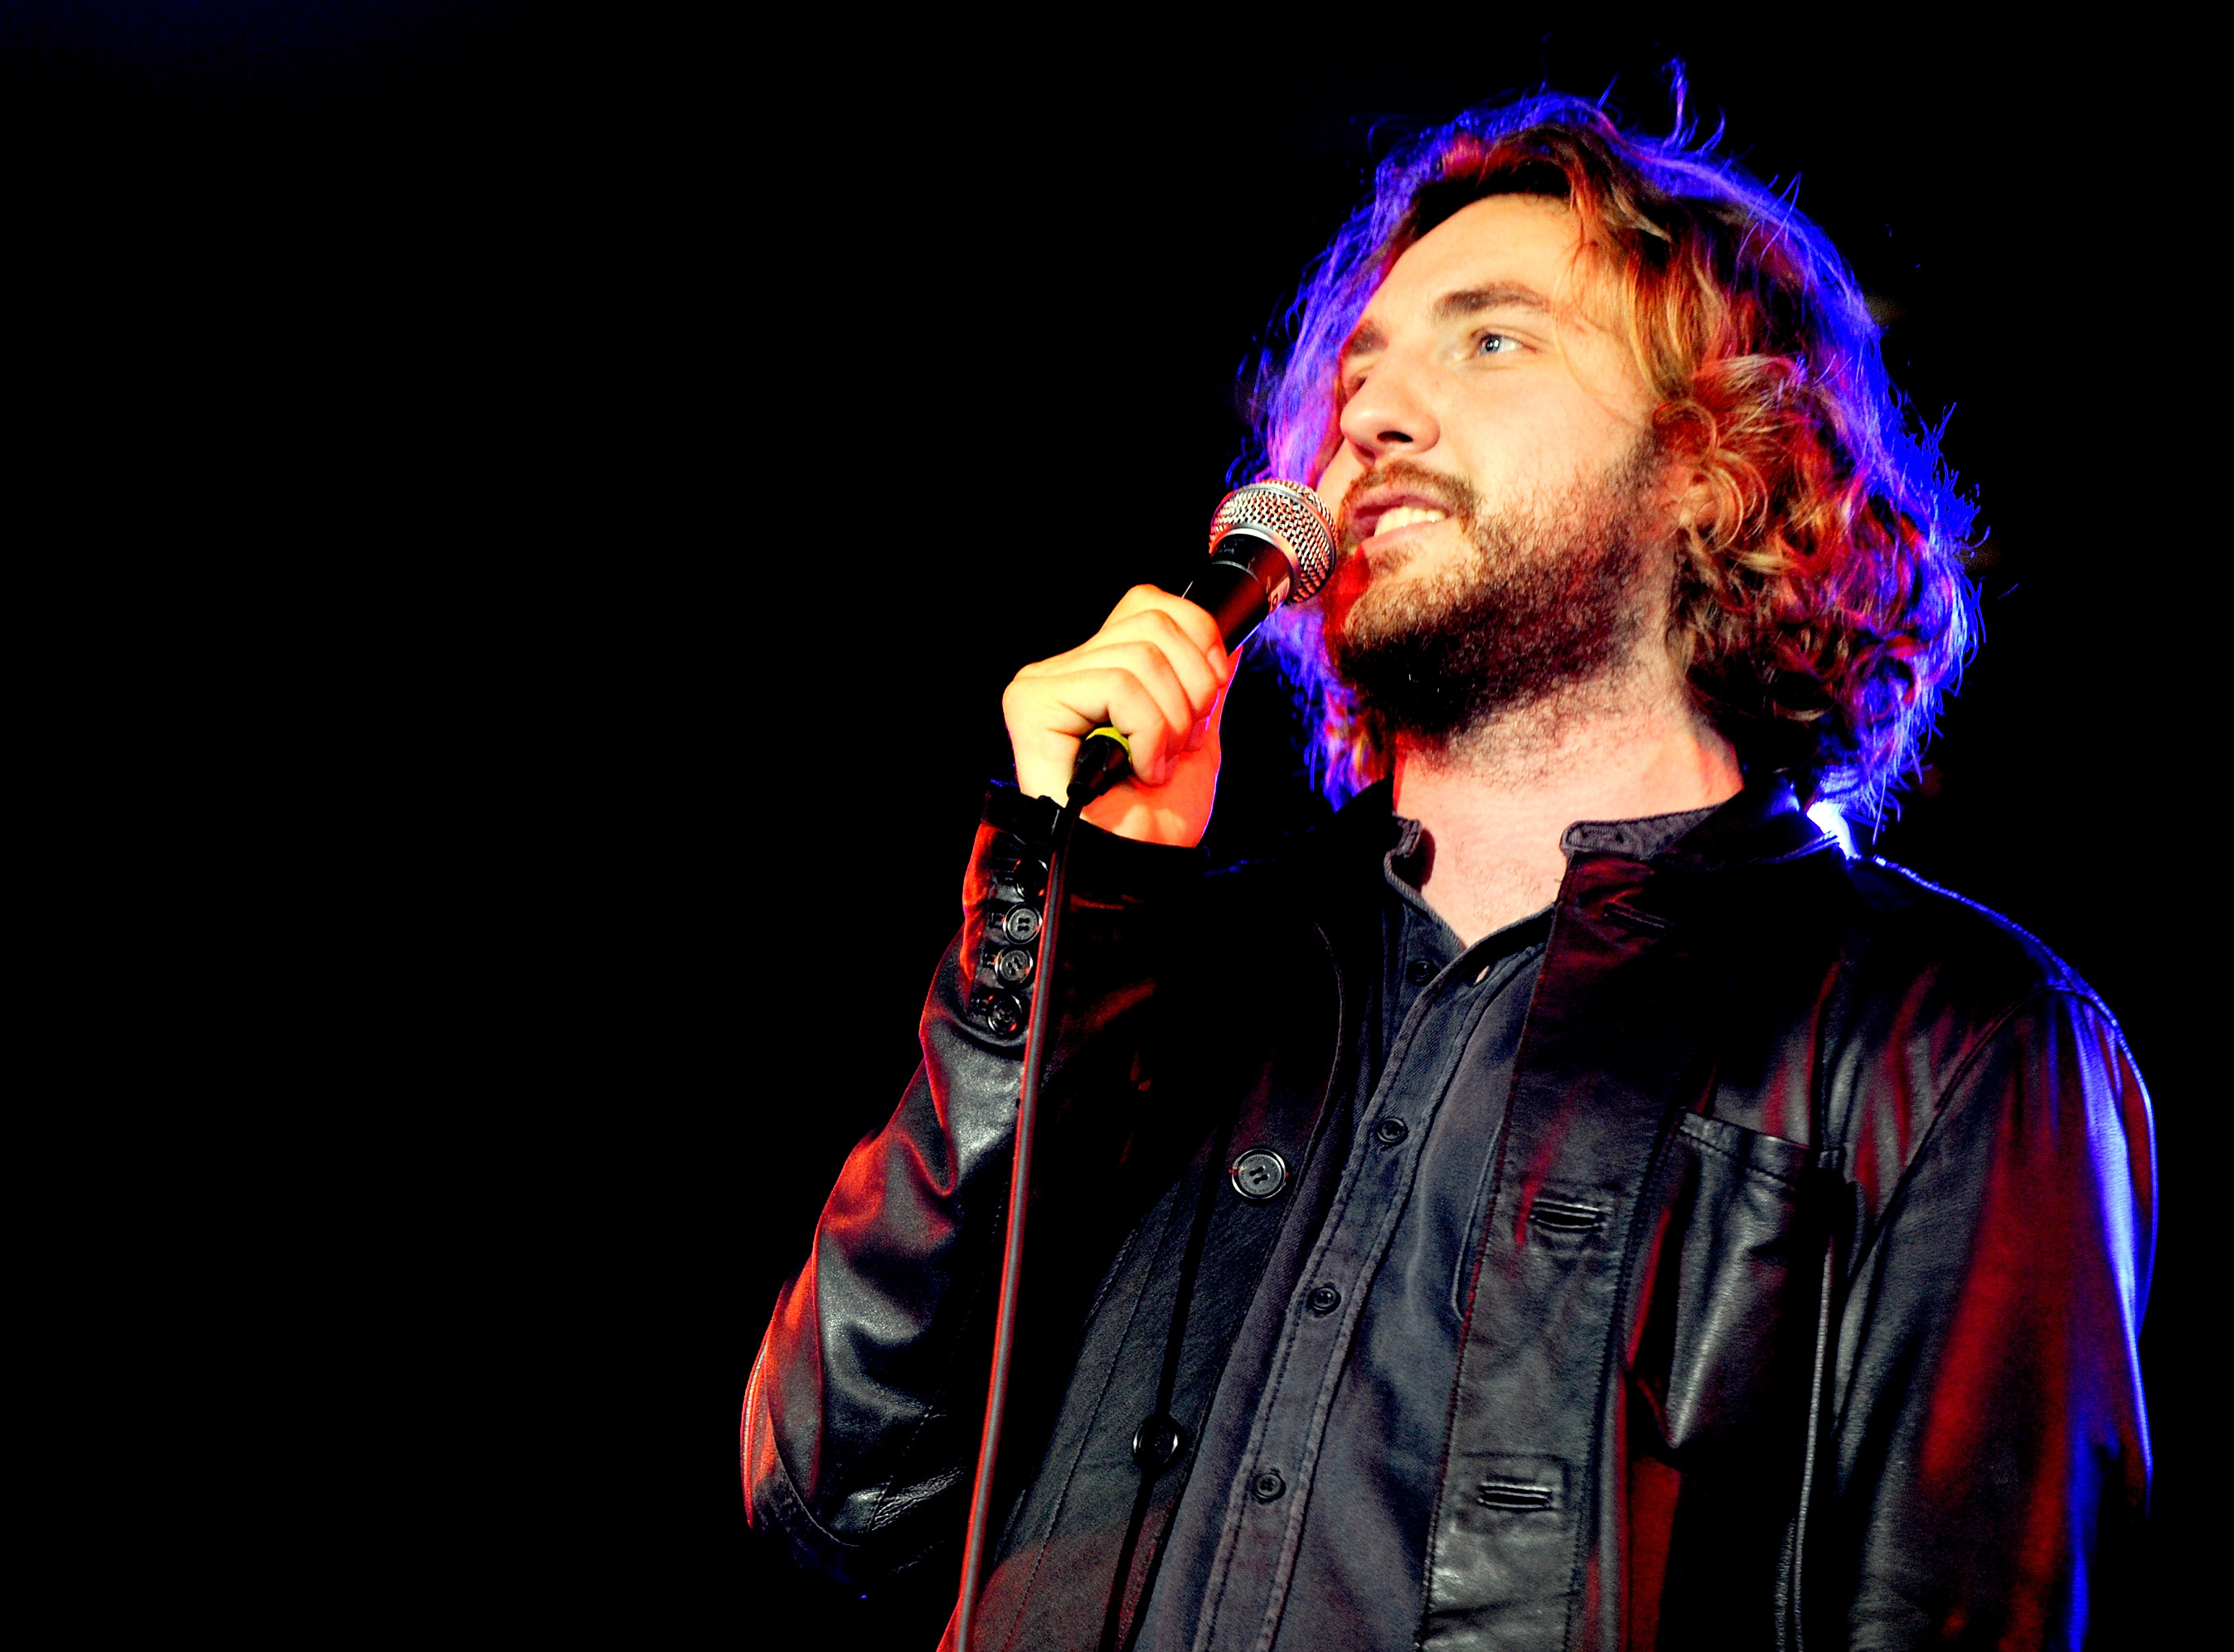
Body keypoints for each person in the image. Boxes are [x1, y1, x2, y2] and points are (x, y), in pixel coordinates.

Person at [739, 93, 2155, 1650]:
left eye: (1491, 343)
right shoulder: (1169, 976)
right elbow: (834, 1500)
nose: (1371, 420)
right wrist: (1063, 929)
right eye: (1359, 375)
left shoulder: (1939, 1036)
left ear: (1716, 462)